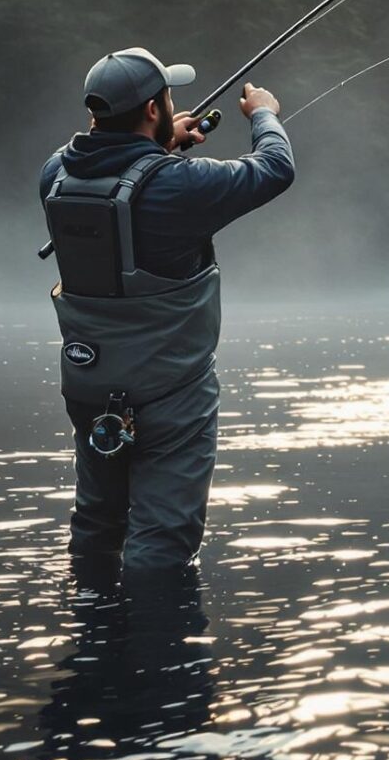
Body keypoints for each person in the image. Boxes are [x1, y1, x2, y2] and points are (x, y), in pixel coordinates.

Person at [38, 47, 293, 577]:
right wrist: (264, 113)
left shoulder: (55, 177)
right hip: (171, 397)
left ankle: (92, 639)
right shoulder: (183, 185)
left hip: (88, 389)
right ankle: (159, 649)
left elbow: (101, 164)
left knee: (97, 523)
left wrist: (156, 146)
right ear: (153, 108)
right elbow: (274, 169)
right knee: (162, 542)